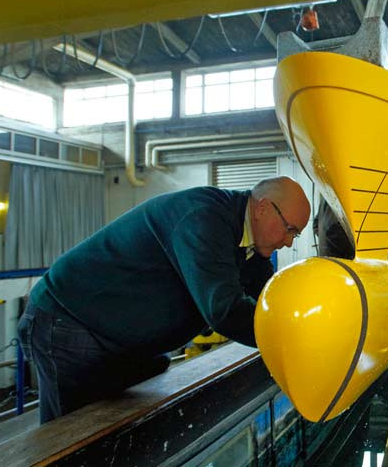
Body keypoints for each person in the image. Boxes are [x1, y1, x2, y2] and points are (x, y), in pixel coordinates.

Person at [17, 176, 311, 423]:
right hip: (68, 320)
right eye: (290, 230)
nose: (288, 242)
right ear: (262, 208)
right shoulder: (203, 218)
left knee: (152, 370)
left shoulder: (251, 249)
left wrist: (304, 326)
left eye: (294, 236)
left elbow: (267, 302)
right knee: (70, 437)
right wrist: (290, 340)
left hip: (114, 337)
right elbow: (224, 310)